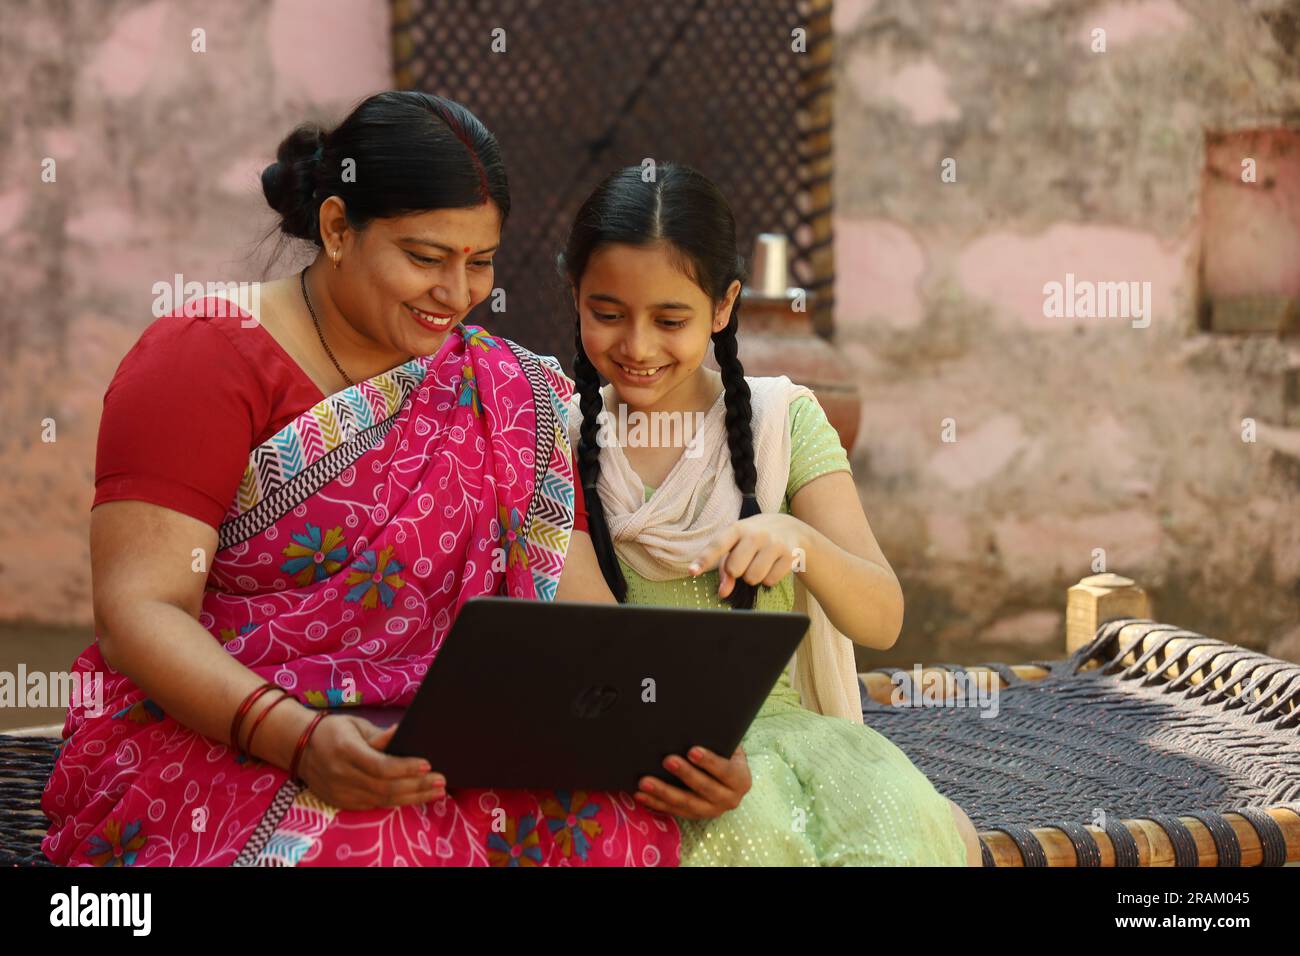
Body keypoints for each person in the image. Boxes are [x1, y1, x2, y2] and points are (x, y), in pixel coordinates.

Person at [40, 93, 743, 866]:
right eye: (425, 257)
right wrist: (300, 739)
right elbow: (139, 610)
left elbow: (582, 618)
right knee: (371, 846)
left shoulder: (503, 389)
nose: (457, 293)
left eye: (480, 262)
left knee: (614, 829)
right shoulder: (202, 359)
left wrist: (679, 738)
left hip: (450, 744)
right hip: (220, 730)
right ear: (338, 229)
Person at [562, 163, 983, 865]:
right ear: (574, 296)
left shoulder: (783, 421)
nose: (636, 346)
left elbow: (881, 617)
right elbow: (591, 658)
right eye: (607, 315)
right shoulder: (557, 441)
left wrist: (799, 541)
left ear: (724, 307)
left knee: (899, 833)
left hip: (794, 743)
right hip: (646, 755)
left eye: (671, 319)